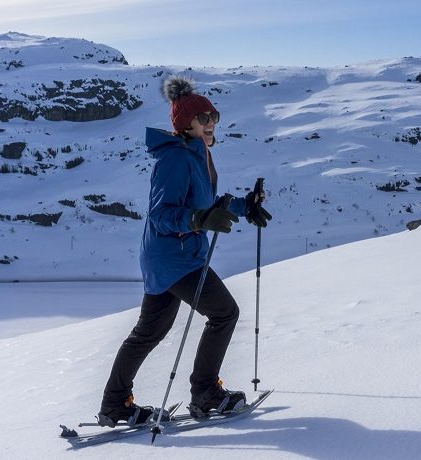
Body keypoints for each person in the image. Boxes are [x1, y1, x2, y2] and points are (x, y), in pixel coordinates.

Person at [97, 76, 273, 426]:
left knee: (148, 332)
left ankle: (115, 405)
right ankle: (205, 393)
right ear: (185, 125)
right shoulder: (175, 159)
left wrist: (244, 206)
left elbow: (207, 203)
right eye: (203, 118)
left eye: (214, 117)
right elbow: (162, 215)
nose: (211, 123)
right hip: (175, 257)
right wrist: (199, 219)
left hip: (169, 257)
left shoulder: (197, 154)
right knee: (224, 313)